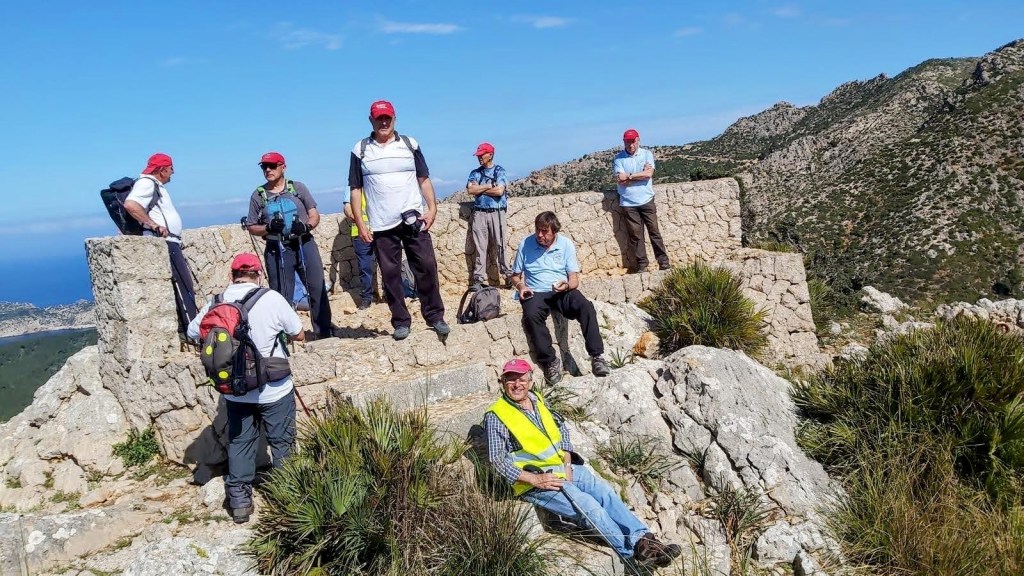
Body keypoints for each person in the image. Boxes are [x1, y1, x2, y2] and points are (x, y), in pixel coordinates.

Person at [485, 358, 682, 568]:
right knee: (589, 507)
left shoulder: (536, 399)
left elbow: (560, 428)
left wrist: (568, 464)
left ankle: (645, 542)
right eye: (510, 379)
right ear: (502, 382)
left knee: (605, 493)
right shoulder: (497, 415)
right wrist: (536, 479)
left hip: (563, 468)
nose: (517, 384)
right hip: (535, 481)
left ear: (531, 382)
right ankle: (633, 556)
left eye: (521, 379)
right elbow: (496, 460)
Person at [186, 253, 305, 524]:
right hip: (274, 388)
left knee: (240, 441)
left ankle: (239, 500)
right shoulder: (271, 298)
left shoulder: (216, 302)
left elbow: (194, 332)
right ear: (258, 274)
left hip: (234, 390)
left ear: (232, 276)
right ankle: (288, 495)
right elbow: (298, 333)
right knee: (282, 440)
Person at [349, 100, 449, 341]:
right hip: (382, 224)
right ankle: (401, 321)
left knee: (426, 266)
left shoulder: (409, 144)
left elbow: (423, 178)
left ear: (394, 119)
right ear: (371, 120)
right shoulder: (360, 150)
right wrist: (361, 223)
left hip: (413, 218)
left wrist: (432, 207)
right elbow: (355, 189)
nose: (384, 122)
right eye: (379, 118)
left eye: (388, 118)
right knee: (390, 273)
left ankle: (435, 316)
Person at [510, 211, 611, 384]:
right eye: (537, 230)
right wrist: (521, 286)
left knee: (585, 306)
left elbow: (574, 279)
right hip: (535, 291)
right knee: (531, 315)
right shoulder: (525, 244)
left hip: (560, 290)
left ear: (554, 231)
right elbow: (515, 276)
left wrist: (566, 285)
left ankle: (597, 357)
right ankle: (550, 362)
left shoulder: (566, 244)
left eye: (544, 231)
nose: (540, 235)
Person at [245, 152, 333, 339]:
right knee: (281, 294)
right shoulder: (258, 195)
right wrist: (268, 228)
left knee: (317, 288)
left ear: (283, 167)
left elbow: (314, 214)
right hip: (277, 248)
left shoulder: (298, 188)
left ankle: (324, 333)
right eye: (264, 167)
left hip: (304, 243)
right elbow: (252, 226)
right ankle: (286, 335)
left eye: (272, 166)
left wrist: (306, 226)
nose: (268, 170)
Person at [124, 152, 197, 335]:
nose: (173, 173)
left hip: (170, 242)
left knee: (184, 287)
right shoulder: (147, 183)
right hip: (166, 243)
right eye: (171, 169)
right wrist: (153, 224)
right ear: (163, 170)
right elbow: (131, 205)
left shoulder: (153, 184)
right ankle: (191, 333)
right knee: (184, 288)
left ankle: (189, 330)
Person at [613, 129, 670, 273]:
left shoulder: (647, 154)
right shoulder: (619, 159)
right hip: (628, 203)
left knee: (654, 231)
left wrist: (630, 176)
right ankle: (642, 264)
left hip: (646, 199)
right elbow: (620, 179)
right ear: (624, 142)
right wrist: (639, 175)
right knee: (636, 235)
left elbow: (648, 174)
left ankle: (663, 262)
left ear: (638, 140)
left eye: (633, 141)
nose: (630, 145)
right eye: (628, 142)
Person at [466, 142, 511, 291]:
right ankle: (479, 279)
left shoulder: (499, 171)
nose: (479, 157)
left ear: (490, 155)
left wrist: (480, 189)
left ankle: (508, 275)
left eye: (482, 154)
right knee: (480, 247)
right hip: (480, 212)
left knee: (501, 244)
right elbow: (470, 190)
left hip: (497, 212)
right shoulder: (475, 172)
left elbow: (499, 191)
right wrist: (487, 186)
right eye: (478, 155)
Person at [340, 187, 376, 310]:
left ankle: (391, 294)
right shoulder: (352, 185)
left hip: (381, 229)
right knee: (365, 266)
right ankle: (367, 298)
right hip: (361, 232)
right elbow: (347, 206)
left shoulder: (377, 179)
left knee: (388, 264)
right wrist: (354, 216)